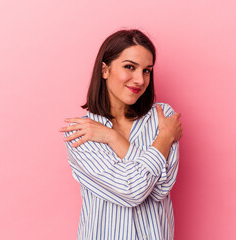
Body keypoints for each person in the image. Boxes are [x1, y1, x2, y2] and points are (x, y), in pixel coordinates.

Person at [59, 29, 183, 240]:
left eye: (146, 70)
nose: (140, 80)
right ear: (105, 70)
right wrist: (164, 139)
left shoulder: (162, 116)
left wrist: (112, 138)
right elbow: (133, 190)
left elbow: (161, 188)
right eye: (129, 67)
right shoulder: (82, 131)